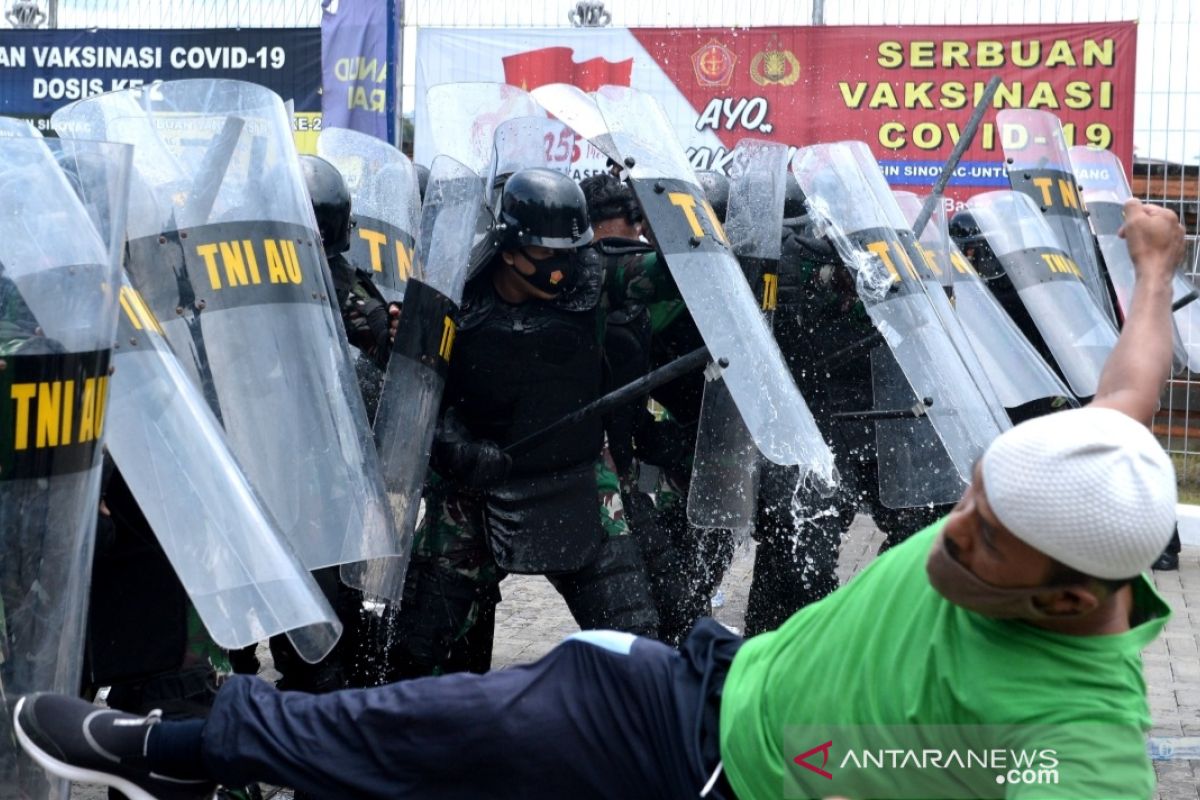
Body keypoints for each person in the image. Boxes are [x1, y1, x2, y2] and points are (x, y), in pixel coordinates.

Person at [14, 198, 1185, 800]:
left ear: (1074, 599)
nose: (953, 533)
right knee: (419, 717)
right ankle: (180, 746)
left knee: (432, 739)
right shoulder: (1076, 488)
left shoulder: (1071, 741)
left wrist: (876, 763)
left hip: (718, 770)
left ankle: (194, 744)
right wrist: (1150, 268)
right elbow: (1125, 394)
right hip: (687, 680)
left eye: (983, 544)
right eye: (971, 501)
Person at [382, 167, 660, 679]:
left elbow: (662, 275)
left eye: (570, 253)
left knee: (637, 643)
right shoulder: (450, 294)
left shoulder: (595, 279)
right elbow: (418, 402)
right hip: (477, 484)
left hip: (578, 478)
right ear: (509, 251)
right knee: (414, 653)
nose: (564, 268)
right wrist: (457, 448)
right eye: (549, 257)